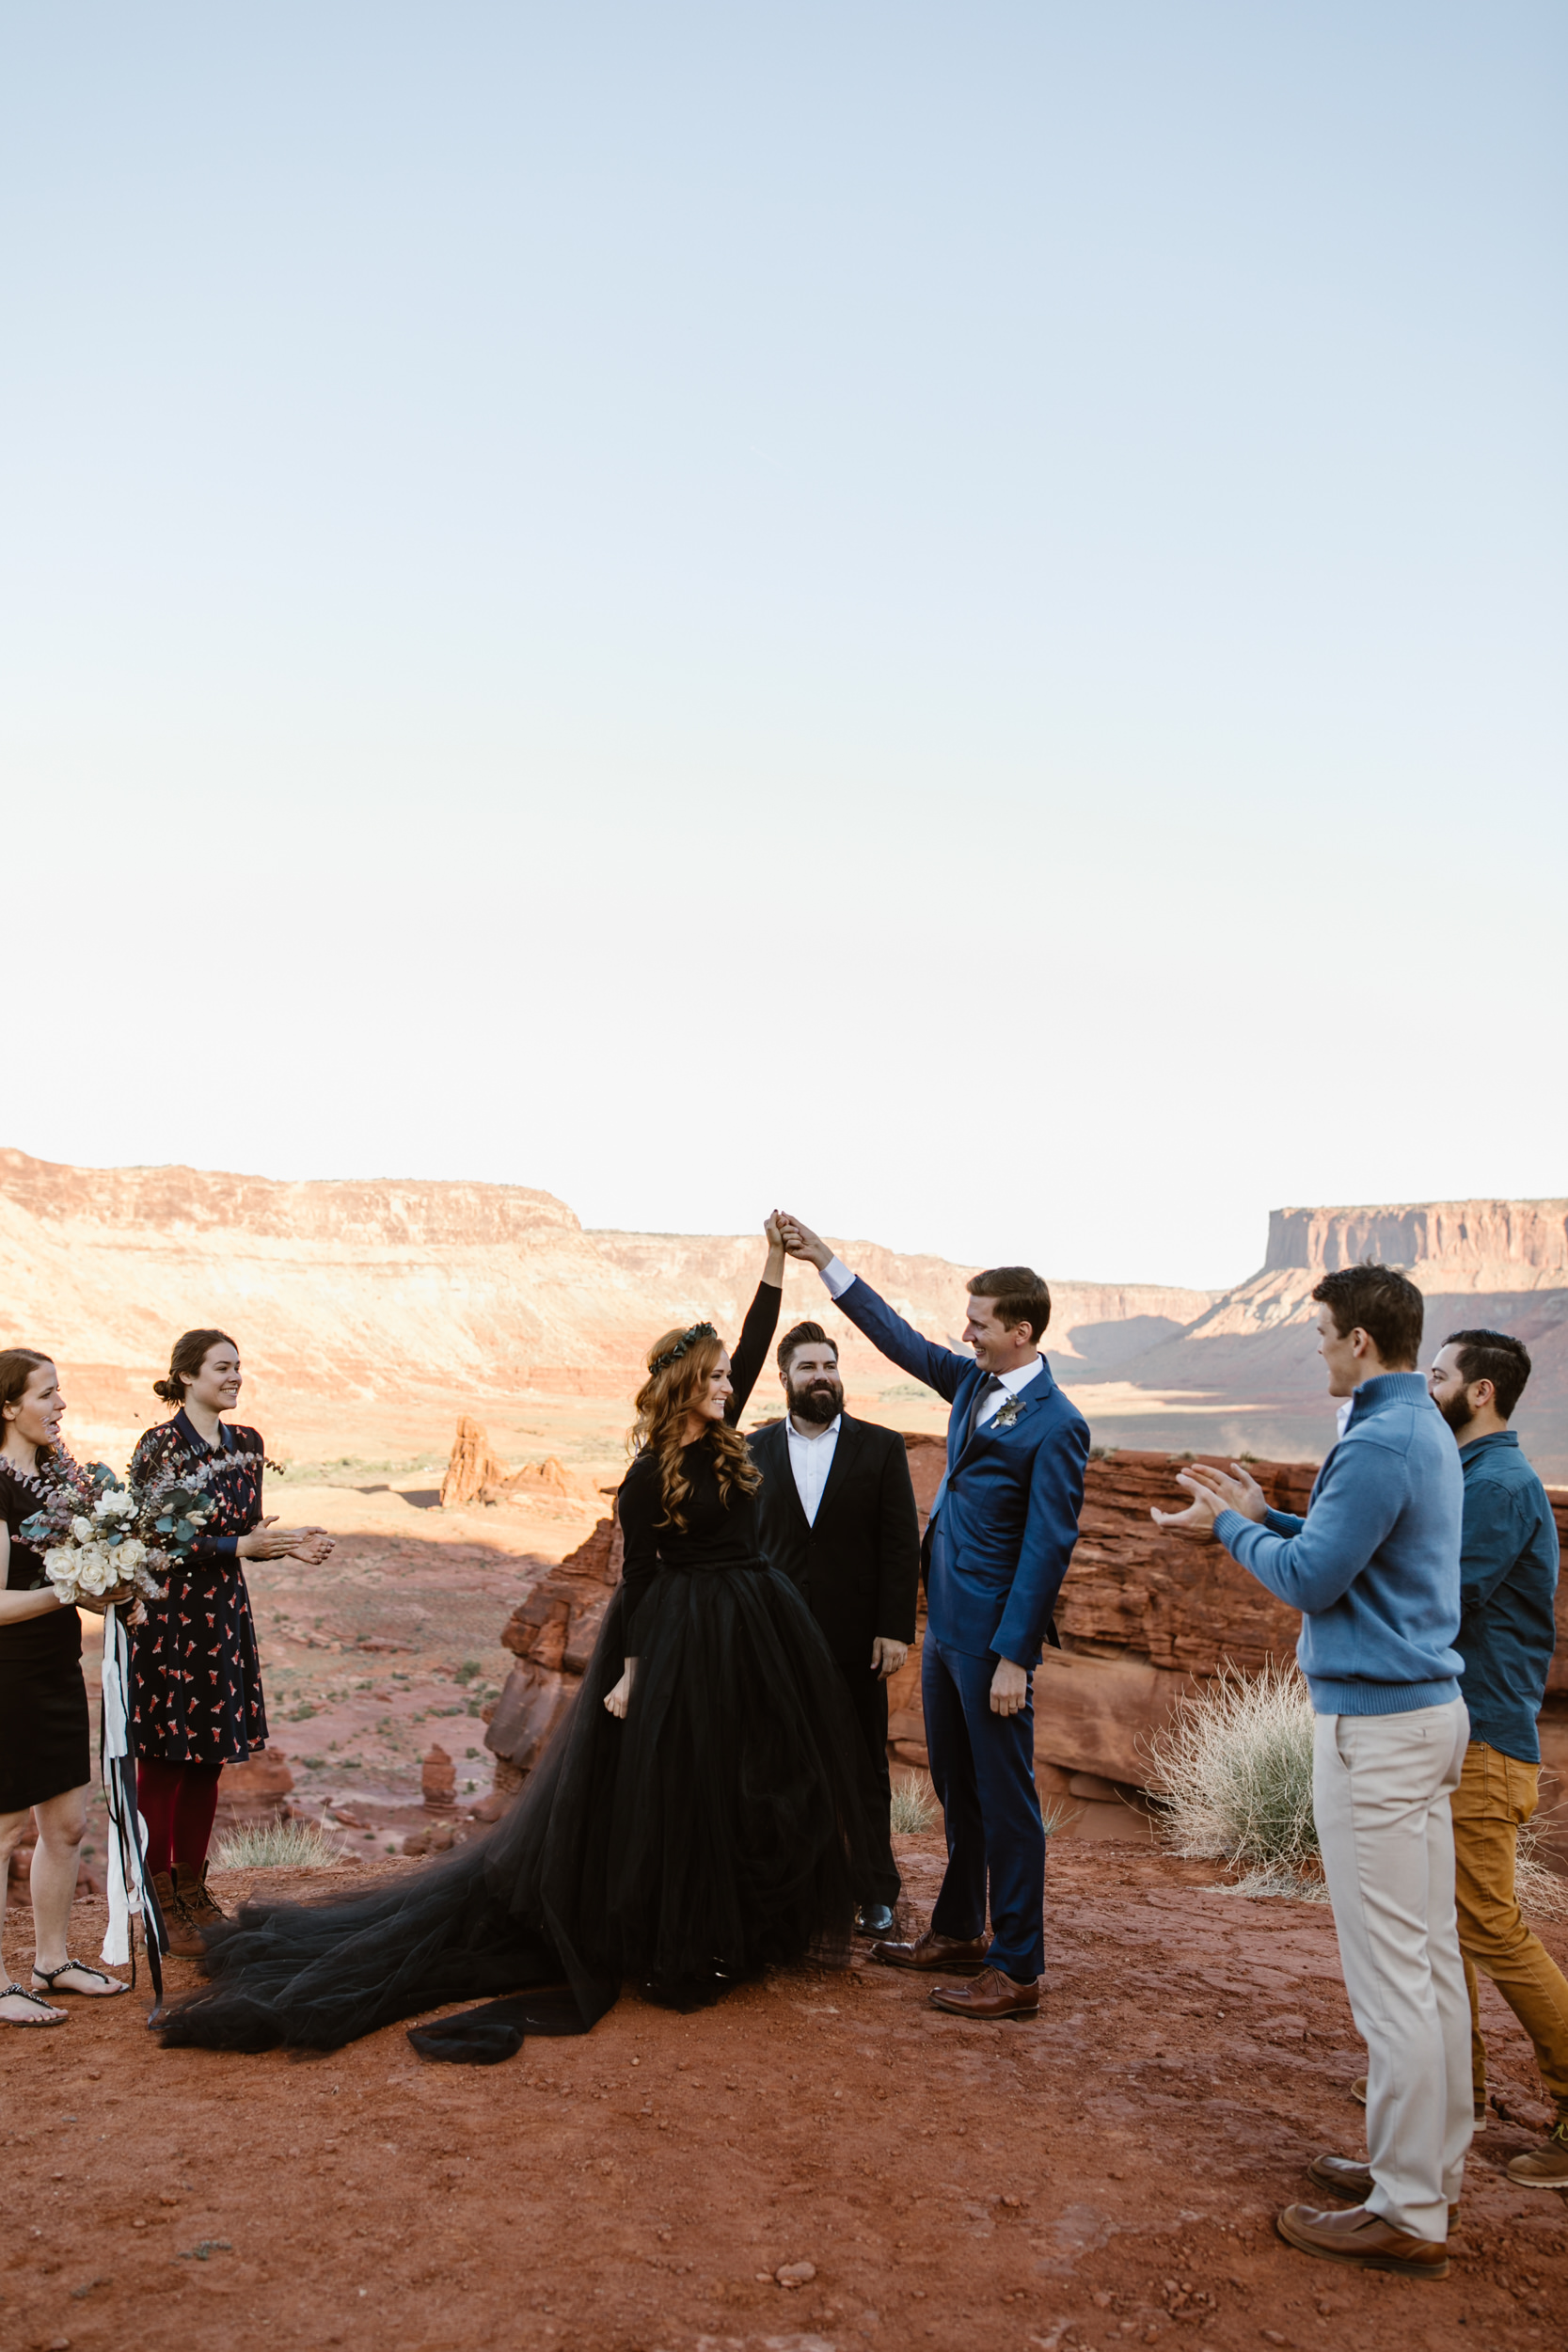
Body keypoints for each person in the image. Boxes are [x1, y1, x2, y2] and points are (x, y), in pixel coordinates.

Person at [156, 1220, 866, 2058]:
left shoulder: (724, 1435)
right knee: (686, 1792)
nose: (726, 1387)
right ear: (681, 1388)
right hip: (684, 1637)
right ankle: (688, 1941)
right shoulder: (648, 1476)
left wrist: (772, 1267)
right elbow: (637, 1580)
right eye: (709, 1379)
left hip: (755, 1628)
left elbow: (749, 1349)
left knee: (757, 1779)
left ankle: (750, 1927)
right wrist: (632, 1672)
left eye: (726, 1379)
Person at [1153, 1263, 1466, 2281]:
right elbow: (1350, 1552)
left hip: (1374, 1733)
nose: (1317, 1347)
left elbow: (1309, 1578)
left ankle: (1407, 2208)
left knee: (1389, 1979)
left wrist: (1231, 1528)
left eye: (1323, 1332)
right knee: (1422, 1961)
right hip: (1418, 1718)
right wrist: (1267, 1512)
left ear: (1362, 1342)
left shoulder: (1376, 1438)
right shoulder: (1414, 1426)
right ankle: (1419, 2166)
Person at [778, 1216, 1088, 2024]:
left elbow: (1048, 1548)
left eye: (979, 1324)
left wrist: (1016, 1657)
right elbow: (901, 1342)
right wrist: (826, 1263)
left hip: (993, 1644)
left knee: (1007, 1800)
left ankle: (1016, 1966)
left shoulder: (1057, 1424)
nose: (965, 1334)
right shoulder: (977, 1386)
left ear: (1019, 1332)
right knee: (959, 1790)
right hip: (948, 1634)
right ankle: (958, 1929)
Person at [129, 1330, 333, 1958]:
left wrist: (289, 1543)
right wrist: (234, 1548)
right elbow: (146, 1544)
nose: (236, 1377)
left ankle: (194, 1891)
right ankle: (161, 1903)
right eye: (223, 1368)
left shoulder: (248, 1445)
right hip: (169, 1621)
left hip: (222, 1619)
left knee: (209, 1759)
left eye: (239, 1367)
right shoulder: (159, 1447)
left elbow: (246, 1532)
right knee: (164, 1761)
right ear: (187, 1377)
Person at [1427, 1328, 1567, 2189]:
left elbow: (1436, 1590)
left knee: (1487, 1926)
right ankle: (1457, 2094)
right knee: (1445, 1929)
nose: (1424, 1384)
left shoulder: (1502, 1485)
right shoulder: (1472, 1476)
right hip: (1461, 1735)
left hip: (1484, 1744)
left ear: (1477, 1392)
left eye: (1437, 1374)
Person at [749, 1319, 922, 1937]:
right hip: (776, 1641)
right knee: (778, 1766)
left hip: (856, 1641)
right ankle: (787, 1889)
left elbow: (900, 1545)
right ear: (784, 1379)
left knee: (861, 1767)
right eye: (808, 1368)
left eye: (829, 1366)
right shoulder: (754, 1450)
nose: (822, 1377)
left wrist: (893, 1628)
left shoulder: (880, 1447)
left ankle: (874, 1888)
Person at [0, 1350, 129, 2026]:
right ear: (8, 1406)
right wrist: (72, 1589)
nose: (60, 1405)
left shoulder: (56, 1475)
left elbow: (77, 1573)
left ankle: (50, 1961)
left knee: (68, 1823)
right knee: (4, 1830)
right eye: (47, 1394)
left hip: (55, 1666)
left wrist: (120, 1586)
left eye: (60, 1393)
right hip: (6, 1675)